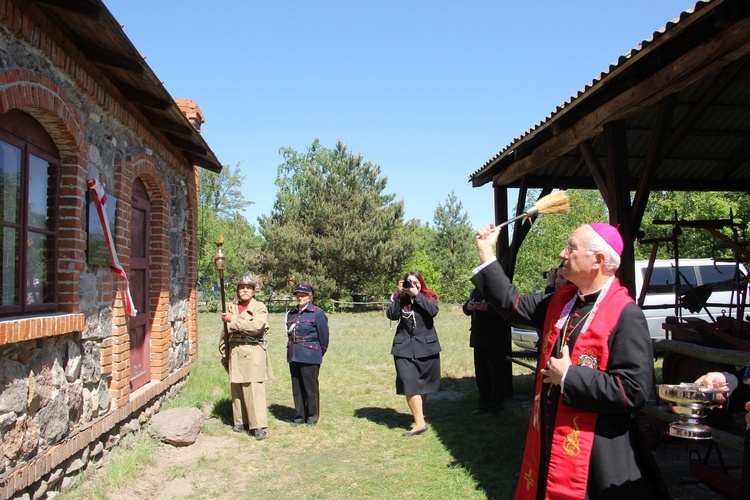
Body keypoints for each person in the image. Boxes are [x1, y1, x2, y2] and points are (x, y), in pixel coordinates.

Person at [473, 222, 668, 499]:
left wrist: (569, 377)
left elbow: (633, 391)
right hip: (550, 437)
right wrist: (485, 251)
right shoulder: (562, 300)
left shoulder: (627, 315)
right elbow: (511, 304)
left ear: (598, 260)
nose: (563, 254)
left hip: (596, 453)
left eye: (571, 248)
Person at [386, 271, 441, 436]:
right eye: (409, 282)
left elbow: (432, 312)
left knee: (422, 384)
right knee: (408, 382)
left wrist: (417, 295)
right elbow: (392, 315)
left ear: (421, 283)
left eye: (415, 282)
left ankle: (419, 417)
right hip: (404, 347)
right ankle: (420, 423)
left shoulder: (428, 296)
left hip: (426, 347)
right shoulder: (399, 297)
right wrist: (398, 296)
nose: (412, 285)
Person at [219, 274, 273, 440]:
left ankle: (257, 426)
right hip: (235, 351)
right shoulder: (231, 308)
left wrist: (234, 320)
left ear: (254, 291)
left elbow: (256, 326)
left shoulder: (260, 307)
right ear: (237, 292)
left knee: (253, 388)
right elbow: (224, 334)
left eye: (248, 288)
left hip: (253, 352)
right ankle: (239, 421)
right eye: (242, 288)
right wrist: (224, 354)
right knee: (237, 387)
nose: (245, 291)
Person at [285, 282, 329, 427]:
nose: (300, 298)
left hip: (310, 354)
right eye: (298, 295)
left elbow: (324, 339)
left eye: (303, 295)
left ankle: (312, 417)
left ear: (310, 297)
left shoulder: (317, 313)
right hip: (294, 353)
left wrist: (317, 354)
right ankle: (299, 416)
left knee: (310, 388)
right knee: (297, 388)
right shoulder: (291, 313)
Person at [462, 287, 510, 415]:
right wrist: (469, 307)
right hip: (479, 339)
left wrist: (487, 308)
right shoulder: (475, 291)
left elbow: (507, 311)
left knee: (496, 375)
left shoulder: (499, 290)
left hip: (495, 339)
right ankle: (484, 405)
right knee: (482, 375)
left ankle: (496, 407)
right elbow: (465, 309)